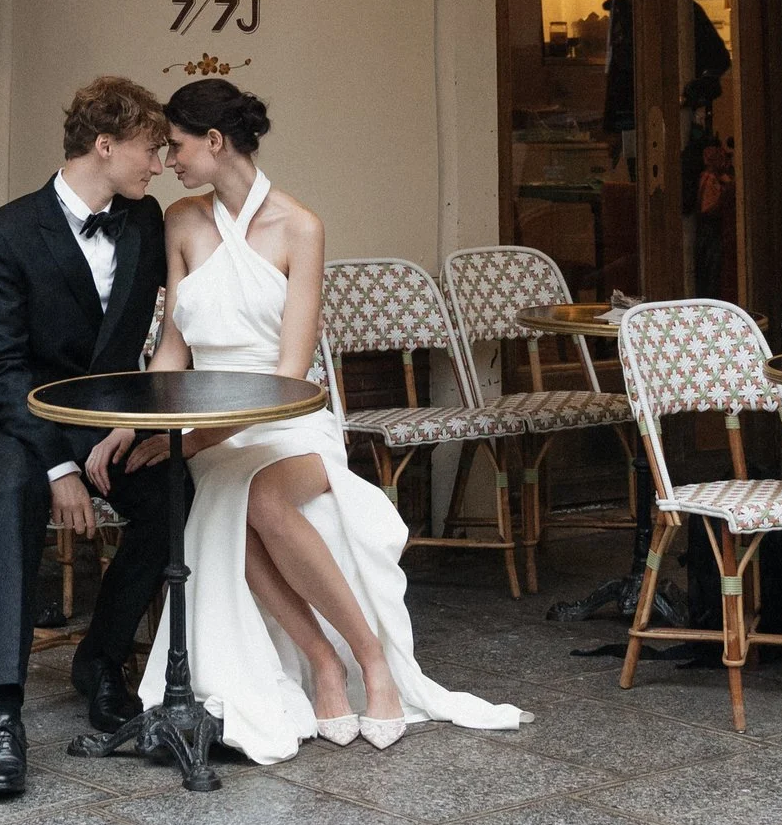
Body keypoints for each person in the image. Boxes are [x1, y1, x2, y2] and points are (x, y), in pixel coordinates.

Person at [99, 76, 524, 766]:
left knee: (262, 495)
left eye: (175, 145)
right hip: (209, 425)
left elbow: (293, 375)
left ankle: (371, 660)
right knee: (226, 497)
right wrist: (137, 424)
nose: (168, 159)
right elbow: (173, 347)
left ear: (214, 141)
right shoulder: (181, 222)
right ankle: (322, 659)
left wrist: (200, 435)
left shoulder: (301, 227)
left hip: (286, 421)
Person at [0, 73, 178, 802]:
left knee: (175, 492)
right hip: (20, 427)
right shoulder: (6, 232)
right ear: (105, 143)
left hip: (108, 423)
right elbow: (0, 372)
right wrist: (58, 462)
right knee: (16, 499)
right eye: (151, 149)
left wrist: (129, 425)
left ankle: (101, 658)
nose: (159, 163)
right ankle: (2, 715)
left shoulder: (145, 221)